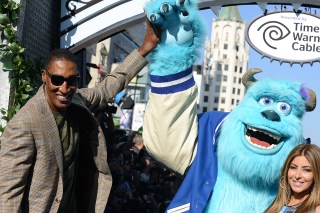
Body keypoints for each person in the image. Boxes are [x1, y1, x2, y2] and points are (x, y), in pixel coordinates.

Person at [0, 19, 160, 212]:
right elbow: (8, 194)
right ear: (44, 76)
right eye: (57, 80)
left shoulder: (77, 101)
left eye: (72, 81)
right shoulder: (25, 124)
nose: (64, 88)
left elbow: (107, 88)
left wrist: (145, 48)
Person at [264, 144, 320, 213]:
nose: (297, 175)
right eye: (293, 167)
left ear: (317, 175)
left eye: (306, 170)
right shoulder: (276, 204)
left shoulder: (316, 210)